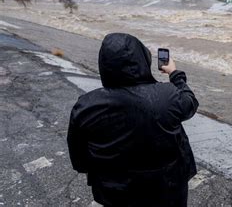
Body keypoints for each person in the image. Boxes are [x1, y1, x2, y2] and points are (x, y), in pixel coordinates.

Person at [67, 33, 199, 207]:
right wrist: (175, 74)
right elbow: (190, 102)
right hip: (168, 189)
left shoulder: (86, 106)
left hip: (115, 193)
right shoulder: (167, 96)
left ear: (104, 65)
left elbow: (79, 159)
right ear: (143, 61)